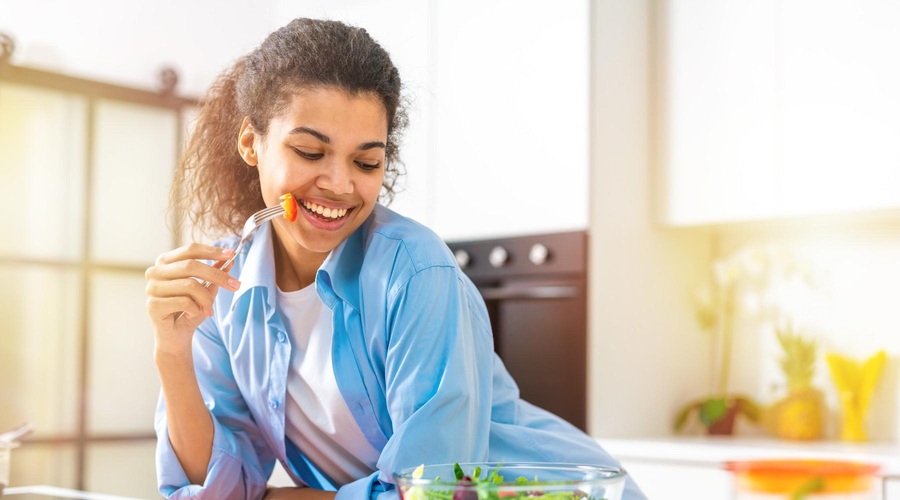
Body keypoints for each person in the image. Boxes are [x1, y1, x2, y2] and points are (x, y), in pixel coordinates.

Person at [145, 17, 646, 500]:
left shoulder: (415, 273)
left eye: (366, 162)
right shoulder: (226, 291)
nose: (340, 185)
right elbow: (218, 491)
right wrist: (173, 351)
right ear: (252, 143)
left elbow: (432, 494)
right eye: (310, 151)